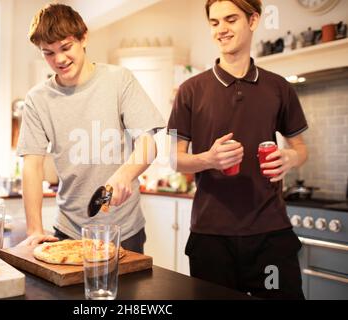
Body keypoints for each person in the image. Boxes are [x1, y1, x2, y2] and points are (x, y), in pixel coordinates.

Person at [168, 0, 308, 299]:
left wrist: (290, 158)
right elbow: (174, 159)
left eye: (230, 19)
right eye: (215, 22)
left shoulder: (279, 87)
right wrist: (208, 159)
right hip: (211, 237)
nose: (221, 29)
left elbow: (300, 148)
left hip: (270, 233)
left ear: (253, 20)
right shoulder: (190, 90)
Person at [16, 4, 165, 253]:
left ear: (83, 37)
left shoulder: (119, 80)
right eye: (48, 53)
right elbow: (32, 165)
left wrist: (125, 173)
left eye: (65, 47)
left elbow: (147, 144)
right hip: (68, 231)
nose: (59, 59)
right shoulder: (37, 99)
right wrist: (35, 230)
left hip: (123, 230)